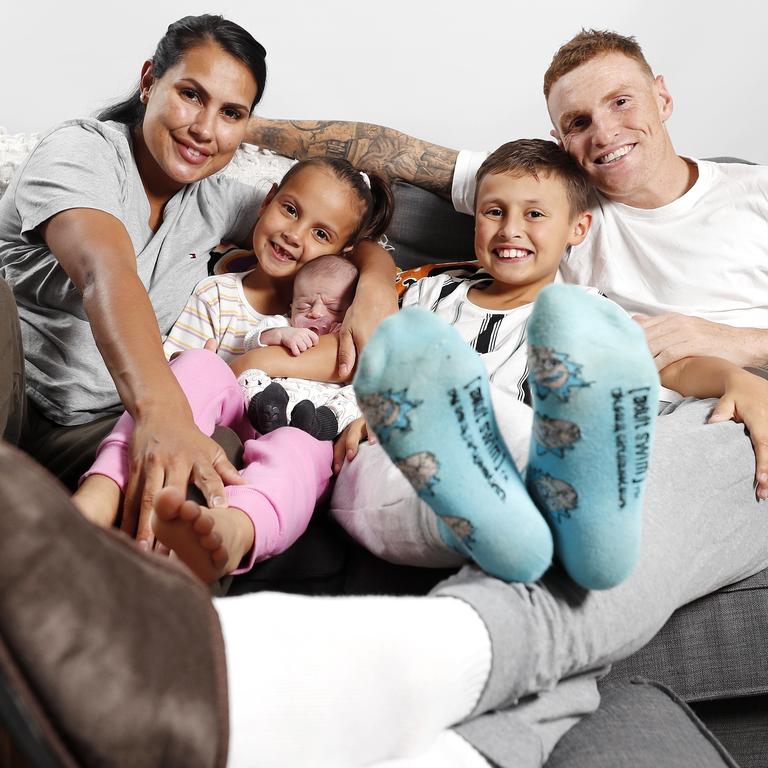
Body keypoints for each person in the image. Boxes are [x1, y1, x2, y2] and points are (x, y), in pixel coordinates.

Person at [2, 28, 768, 768]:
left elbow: (340, 232)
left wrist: (736, 359)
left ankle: (241, 677)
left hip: (699, 427)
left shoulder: (749, 199)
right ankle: (520, 527)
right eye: (577, 120)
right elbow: (376, 166)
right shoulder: (520, 214)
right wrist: (251, 144)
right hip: (525, 446)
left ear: (663, 97)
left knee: (585, 491)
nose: (602, 133)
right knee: (563, 514)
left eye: (622, 103)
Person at [0, 14, 396, 549]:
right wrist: (163, 414)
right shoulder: (82, 152)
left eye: (231, 113)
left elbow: (323, 228)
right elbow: (105, 273)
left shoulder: (213, 200)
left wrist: (374, 286)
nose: (205, 130)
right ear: (148, 82)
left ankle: (133, 594)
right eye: (191, 95)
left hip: (95, 431)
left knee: (220, 448)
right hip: (16, 398)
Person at [342, 138, 768, 593]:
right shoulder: (431, 293)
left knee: (532, 435)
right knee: (388, 457)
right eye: (494, 212)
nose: (511, 229)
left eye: (535, 214)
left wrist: (733, 377)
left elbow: (673, 366)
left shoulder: (586, 315)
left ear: (577, 228)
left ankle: (557, 515)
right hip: (406, 461)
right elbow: (362, 353)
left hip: (521, 457)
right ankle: (505, 519)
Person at [72, 158, 389, 583]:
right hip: (208, 427)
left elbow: (367, 366)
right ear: (268, 200)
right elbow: (166, 377)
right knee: (199, 363)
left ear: (342, 252)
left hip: (287, 436)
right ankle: (102, 489)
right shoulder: (217, 294)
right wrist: (207, 367)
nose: (294, 235)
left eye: (320, 234)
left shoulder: (341, 318)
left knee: (301, 446)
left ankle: (233, 533)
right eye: (291, 210)